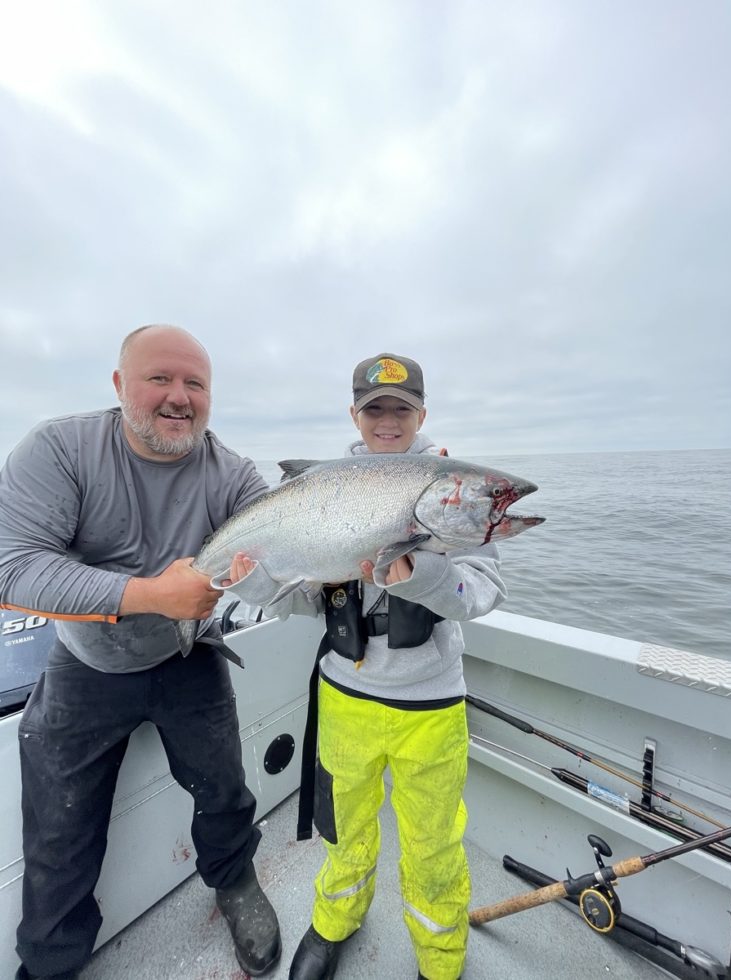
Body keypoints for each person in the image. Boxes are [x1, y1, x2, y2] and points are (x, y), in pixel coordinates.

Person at [0, 325, 281, 980]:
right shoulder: (60, 449)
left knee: (224, 790)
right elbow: (12, 570)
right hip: (84, 666)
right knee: (58, 833)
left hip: (190, 661)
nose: (179, 397)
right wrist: (152, 593)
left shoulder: (232, 474)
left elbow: (277, 557)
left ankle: (234, 880)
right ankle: (50, 960)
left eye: (195, 384)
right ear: (120, 385)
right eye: (160, 379)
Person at [225, 353, 508, 980]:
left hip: (431, 706)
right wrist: (252, 584)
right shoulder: (324, 489)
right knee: (343, 827)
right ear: (356, 414)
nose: (387, 420)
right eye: (374, 409)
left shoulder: (455, 492)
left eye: (400, 409)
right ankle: (333, 924)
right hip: (346, 695)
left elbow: (480, 596)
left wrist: (419, 574)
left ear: (421, 415)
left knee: (434, 843)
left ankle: (440, 960)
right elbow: (303, 594)